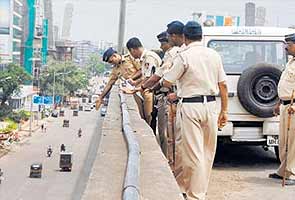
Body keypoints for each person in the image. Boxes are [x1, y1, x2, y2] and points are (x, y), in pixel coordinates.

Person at [162, 21, 228, 200]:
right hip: (212, 106)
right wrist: (224, 111)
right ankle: (198, 191)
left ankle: (196, 195)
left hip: (191, 106)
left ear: (184, 37)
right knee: (207, 153)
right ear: (201, 36)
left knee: (193, 154)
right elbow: (223, 85)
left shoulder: (184, 55)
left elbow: (167, 81)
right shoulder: (214, 55)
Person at [269, 33, 295, 186]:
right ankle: (283, 170)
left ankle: (292, 173)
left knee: (293, 142)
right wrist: (279, 103)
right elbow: (287, 85)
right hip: (285, 105)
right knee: (284, 141)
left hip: (293, 107)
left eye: (289, 44)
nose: (286, 47)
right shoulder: (291, 62)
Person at [95, 47, 144, 117]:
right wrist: (101, 97)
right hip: (132, 91)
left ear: (114, 56)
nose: (111, 64)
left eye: (111, 61)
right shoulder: (115, 69)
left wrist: (131, 78)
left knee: (148, 113)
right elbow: (110, 84)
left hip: (142, 86)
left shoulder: (130, 58)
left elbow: (141, 70)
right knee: (140, 114)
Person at [126, 37, 162, 128]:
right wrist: (135, 83)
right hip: (147, 89)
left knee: (149, 118)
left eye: (130, 52)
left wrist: (137, 88)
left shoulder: (149, 57)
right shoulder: (145, 58)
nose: (131, 55)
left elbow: (150, 77)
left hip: (152, 91)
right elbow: (145, 75)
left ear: (133, 50)